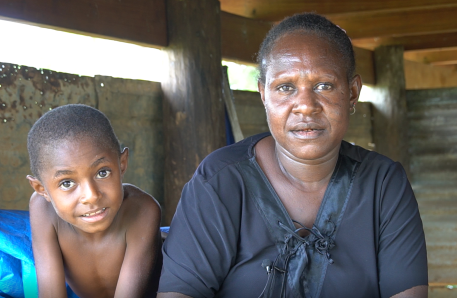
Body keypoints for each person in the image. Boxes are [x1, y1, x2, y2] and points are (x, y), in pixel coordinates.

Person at [157, 12, 428, 298]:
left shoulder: (384, 185)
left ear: (352, 93)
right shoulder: (220, 181)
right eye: (285, 87)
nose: (306, 106)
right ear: (264, 95)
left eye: (324, 85)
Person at [26, 104, 162, 298]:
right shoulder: (42, 208)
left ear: (122, 164)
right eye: (66, 183)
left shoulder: (142, 210)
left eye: (102, 172)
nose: (91, 195)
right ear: (42, 189)